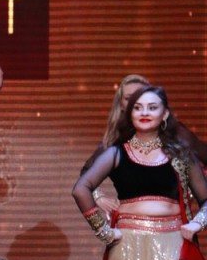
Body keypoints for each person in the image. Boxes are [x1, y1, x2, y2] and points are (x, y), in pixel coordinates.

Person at [72, 86, 207, 260]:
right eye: (138, 108)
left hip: (170, 244)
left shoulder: (181, 155)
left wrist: (197, 224)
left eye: (152, 108)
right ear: (130, 114)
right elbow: (81, 189)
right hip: (127, 244)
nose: (145, 113)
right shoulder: (116, 153)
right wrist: (104, 232)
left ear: (165, 114)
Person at [81, 74, 207, 216]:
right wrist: (99, 197)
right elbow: (86, 176)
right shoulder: (114, 139)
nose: (140, 105)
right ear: (121, 105)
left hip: (176, 222)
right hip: (130, 224)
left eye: (142, 97)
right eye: (130, 99)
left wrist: (192, 191)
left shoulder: (176, 133)